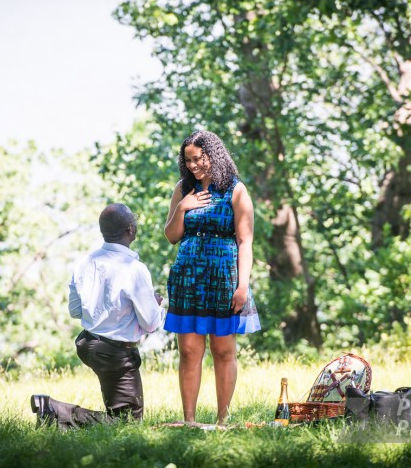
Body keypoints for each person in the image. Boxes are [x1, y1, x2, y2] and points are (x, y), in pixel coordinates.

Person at [31, 203, 164, 429]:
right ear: (130, 230)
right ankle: (52, 408)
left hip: (88, 343)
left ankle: (58, 418)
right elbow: (151, 324)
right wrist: (156, 305)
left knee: (121, 416)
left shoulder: (84, 262)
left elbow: (75, 310)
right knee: (128, 424)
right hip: (115, 352)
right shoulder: (134, 269)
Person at [163, 130, 261, 425]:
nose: (193, 165)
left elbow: (245, 242)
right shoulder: (183, 189)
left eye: (198, 158)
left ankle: (222, 421)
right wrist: (182, 208)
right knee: (189, 350)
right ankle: (190, 420)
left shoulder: (235, 189)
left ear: (213, 154)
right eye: (188, 160)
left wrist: (242, 285)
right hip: (188, 279)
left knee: (222, 349)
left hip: (223, 279)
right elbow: (171, 236)